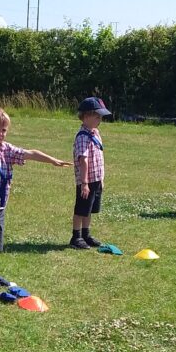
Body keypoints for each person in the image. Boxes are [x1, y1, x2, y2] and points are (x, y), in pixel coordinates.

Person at [0, 107, 69, 296]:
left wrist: (52, 160)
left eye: (4, 130)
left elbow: (30, 153)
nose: (1, 134)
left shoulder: (6, 149)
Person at [70, 96, 112, 249]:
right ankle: (76, 236)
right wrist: (84, 183)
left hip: (96, 178)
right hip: (86, 180)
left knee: (89, 209)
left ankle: (86, 234)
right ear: (86, 116)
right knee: (81, 209)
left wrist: (101, 179)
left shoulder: (96, 133)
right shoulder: (83, 137)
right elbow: (83, 160)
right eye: (97, 116)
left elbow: (99, 156)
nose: (100, 119)